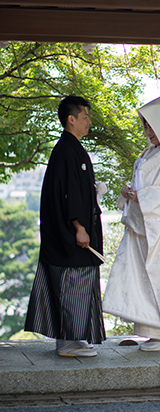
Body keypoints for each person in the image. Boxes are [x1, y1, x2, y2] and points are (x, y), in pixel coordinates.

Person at [103, 93, 160, 351]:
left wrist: (139, 196)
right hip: (142, 226)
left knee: (156, 275)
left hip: (156, 229)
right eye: (145, 126)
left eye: (153, 126)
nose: (148, 132)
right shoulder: (152, 153)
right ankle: (150, 330)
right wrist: (131, 193)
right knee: (141, 276)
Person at [25, 95, 106, 357]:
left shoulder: (71, 149)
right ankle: (68, 341)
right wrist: (78, 227)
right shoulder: (66, 150)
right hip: (72, 234)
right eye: (85, 117)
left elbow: (75, 190)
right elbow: (67, 194)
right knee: (72, 283)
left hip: (75, 231)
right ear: (71, 119)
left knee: (76, 283)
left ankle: (74, 338)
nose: (89, 122)